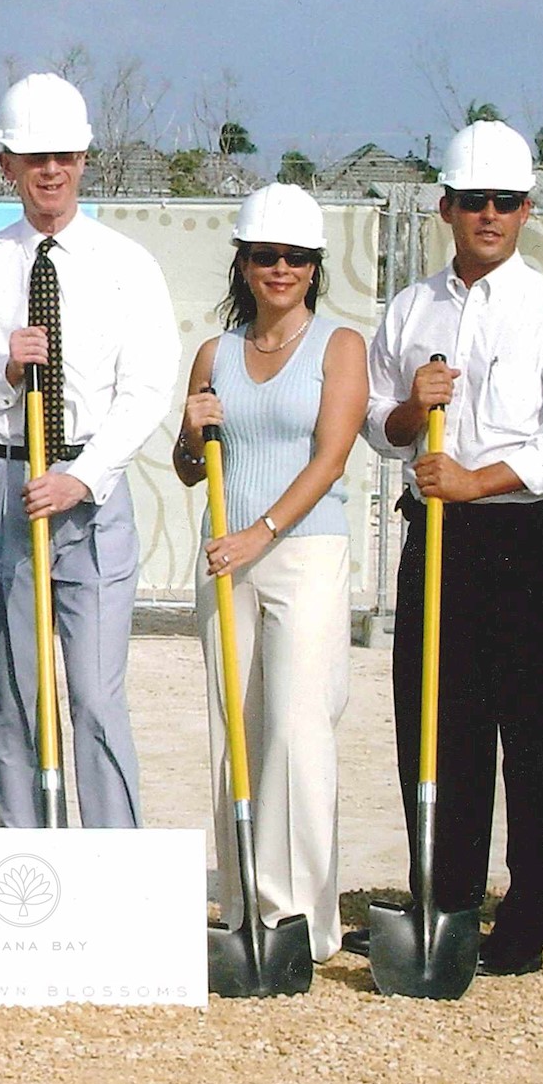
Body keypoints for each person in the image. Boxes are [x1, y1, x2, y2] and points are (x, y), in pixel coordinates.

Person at [361, 120, 543, 976]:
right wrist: (404, 406)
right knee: (437, 720)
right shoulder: (412, 307)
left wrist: (475, 480)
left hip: (527, 534)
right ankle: (447, 898)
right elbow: (377, 425)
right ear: (445, 207)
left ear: (528, 209)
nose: (488, 216)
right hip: (440, 536)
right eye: (472, 202)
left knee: (539, 729)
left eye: (504, 201)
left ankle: (531, 914)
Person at [0, 73, 179, 829]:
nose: (52, 170)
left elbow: (147, 387)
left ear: (84, 159)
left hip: (91, 493)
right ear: (6, 163)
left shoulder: (124, 263)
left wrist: (81, 476)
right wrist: (1, 374)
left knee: (98, 697)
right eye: (34, 156)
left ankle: (115, 867)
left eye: (66, 155)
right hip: (5, 480)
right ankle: (30, 865)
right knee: (12, 693)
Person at [174, 184, 367, 963]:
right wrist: (189, 436)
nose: (279, 268)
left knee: (296, 727)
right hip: (225, 557)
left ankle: (299, 919)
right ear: (244, 264)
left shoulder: (340, 347)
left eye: (294, 257)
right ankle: (244, 902)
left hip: (303, 550)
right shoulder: (216, 353)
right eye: (265, 256)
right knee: (237, 735)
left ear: (314, 267)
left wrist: (263, 531)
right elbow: (192, 469)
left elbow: (332, 456)